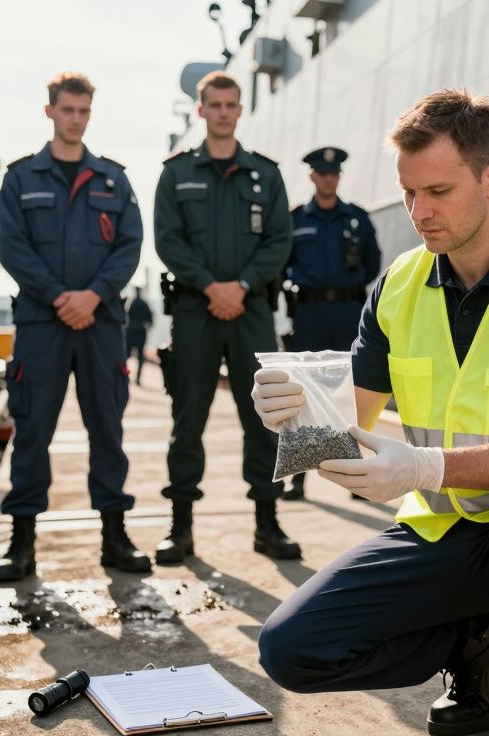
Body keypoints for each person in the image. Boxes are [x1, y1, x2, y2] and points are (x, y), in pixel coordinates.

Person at [253, 90, 489, 736]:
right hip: (456, 529)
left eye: (437, 191)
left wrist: (424, 466)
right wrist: (299, 415)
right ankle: (477, 645)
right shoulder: (400, 287)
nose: (419, 212)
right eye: (409, 193)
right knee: (291, 649)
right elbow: (356, 413)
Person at [0, 72, 150, 581]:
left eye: (83, 112)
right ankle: (21, 544)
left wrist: (93, 295)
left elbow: (129, 244)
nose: (75, 120)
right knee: (32, 429)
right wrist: (61, 297)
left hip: (101, 324)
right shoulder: (21, 178)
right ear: (50, 112)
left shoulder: (112, 179)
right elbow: (12, 247)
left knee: (108, 428)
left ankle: (114, 536)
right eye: (67, 111)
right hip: (42, 323)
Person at [152, 71, 301, 564]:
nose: (222, 112)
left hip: (250, 310)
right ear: (201, 110)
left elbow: (280, 239)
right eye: (214, 104)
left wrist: (237, 287)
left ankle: (267, 523)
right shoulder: (176, 173)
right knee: (187, 418)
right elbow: (168, 240)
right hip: (196, 310)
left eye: (230, 104)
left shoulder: (265, 173)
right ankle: (181, 528)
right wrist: (211, 286)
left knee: (263, 418)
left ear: (239, 110)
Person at [281, 146, 381, 501]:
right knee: (303, 393)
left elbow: (372, 263)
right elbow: (282, 263)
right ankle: (299, 477)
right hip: (308, 313)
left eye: (334, 173)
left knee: (352, 394)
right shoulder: (295, 220)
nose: (328, 178)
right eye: (322, 173)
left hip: (347, 312)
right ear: (312, 176)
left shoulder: (356, 218)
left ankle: (354, 474)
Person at [125, 286, 153, 385]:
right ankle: (130, 377)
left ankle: (126, 376)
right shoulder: (143, 304)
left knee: (128, 355)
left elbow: (126, 318)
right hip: (139, 332)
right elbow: (150, 320)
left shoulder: (133, 303)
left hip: (134, 332)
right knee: (136, 357)